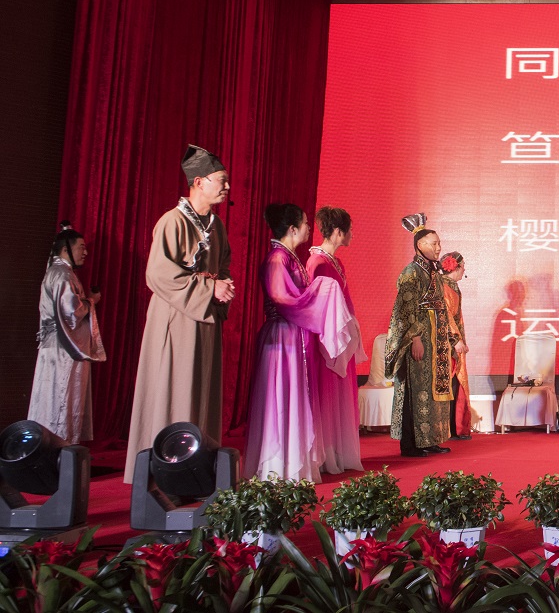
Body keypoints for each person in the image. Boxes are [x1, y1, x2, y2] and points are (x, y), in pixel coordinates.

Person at [125, 145, 235, 483]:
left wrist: (223, 286)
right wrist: (209, 288)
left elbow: (223, 264)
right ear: (199, 182)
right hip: (175, 319)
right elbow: (158, 275)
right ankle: (165, 471)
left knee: (200, 392)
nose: (227, 186)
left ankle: (195, 469)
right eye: (221, 180)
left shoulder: (216, 226)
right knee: (173, 390)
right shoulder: (172, 222)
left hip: (204, 320)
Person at [246, 204, 362, 481]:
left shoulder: (290, 257)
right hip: (282, 337)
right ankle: (279, 464)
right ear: (292, 229)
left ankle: (293, 460)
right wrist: (322, 291)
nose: (310, 228)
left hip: (294, 335)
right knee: (282, 399)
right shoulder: (278, 259)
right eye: (306, 224)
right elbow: (283, 298)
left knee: (294, 398)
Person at [28, 222, 106, 444]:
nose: (85, 252)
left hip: (56, 347)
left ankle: (49, 444)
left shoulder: (57, 272)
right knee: (61, 396)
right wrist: (91, 301)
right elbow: (71, 312)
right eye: (81, 247)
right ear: (66, 249)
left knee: (50, 398)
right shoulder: (63, 274)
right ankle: (60, 446)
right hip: (65, 348)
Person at [387, 213, 453, 457]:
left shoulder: (433, 273)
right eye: (434, 244)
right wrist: (415, 338)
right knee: (416, 389)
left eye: (439, 243)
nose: (438, 248)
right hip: (419, 339)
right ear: (419, 245)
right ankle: (411, 444)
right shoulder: (411, 272)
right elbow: (406, 308)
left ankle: (430, 438)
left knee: (431, 388)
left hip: (434, 340)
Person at [307, 205, 365, 474]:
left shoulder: (335, 262)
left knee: (340, 395)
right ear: (339, 232)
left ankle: (339, 452)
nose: (352, 234)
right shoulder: (317, 263)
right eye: (349, 230)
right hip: (327, 340)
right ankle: (326, 453)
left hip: (342, 337)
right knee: (327, 395)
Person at [440, 252, 473, 440]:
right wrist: (454, 340)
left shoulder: (452, 286)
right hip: (444, 343)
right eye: (463, 265)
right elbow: (444, 316)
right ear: (456, 267)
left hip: (453, 342)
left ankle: (455, 427)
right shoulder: (442, 286)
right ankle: (446, 428)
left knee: (454, 384)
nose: (464, 269)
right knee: (447, 384)